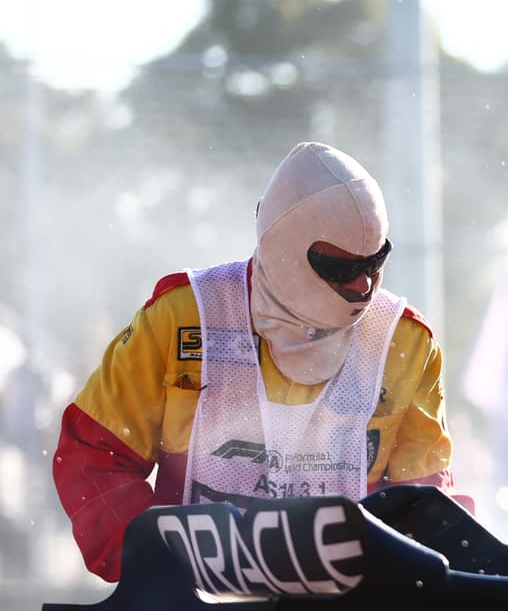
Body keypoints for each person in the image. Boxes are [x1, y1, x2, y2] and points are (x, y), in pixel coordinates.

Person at [54, 141, 465, 582]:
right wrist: (156, 567)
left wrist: (421, 589)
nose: (363, 284)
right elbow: (94, 454)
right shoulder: (180, 318)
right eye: (340, 268)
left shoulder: (405, 342)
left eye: (375, 261)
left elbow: (428, 507)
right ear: (282, 244)